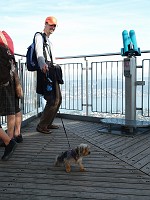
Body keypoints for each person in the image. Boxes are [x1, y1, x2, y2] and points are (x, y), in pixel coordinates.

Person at [35, 16, 62, 134]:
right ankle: (42, 125)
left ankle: (48, 123)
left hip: (52, 70)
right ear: (45, 24)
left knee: (58, 98)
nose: (53, 28)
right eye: (51, 25)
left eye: (55, 26)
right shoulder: (39, 36)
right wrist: (43, 65)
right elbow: (39, 53)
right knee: (52, 99)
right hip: (46, 70)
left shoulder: (48, 39)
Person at [0, 31, 23, 143]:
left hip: (5, 77)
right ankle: (17, 134)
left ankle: (9, 139)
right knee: (15, 106)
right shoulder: (6, 36)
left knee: (10, 109)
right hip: (13, 75)